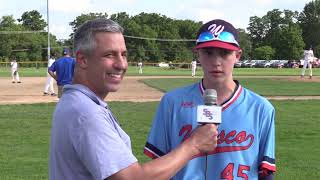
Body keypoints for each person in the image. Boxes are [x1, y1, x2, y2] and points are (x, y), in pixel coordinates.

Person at [49, 18, 218, 180]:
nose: (121, 64)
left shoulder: (77, 102)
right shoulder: (86, 113)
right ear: (82, 59)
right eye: (109, 55)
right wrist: (193, 145)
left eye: (123, 54)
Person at [144, 19, 276, 180]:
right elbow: (159, 167)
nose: (216, 62)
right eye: (208, 52)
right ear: (197, 54)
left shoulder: (261, 108)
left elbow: (265, 173)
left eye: (224, 53)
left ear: (237, 56)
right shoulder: (172, 102)